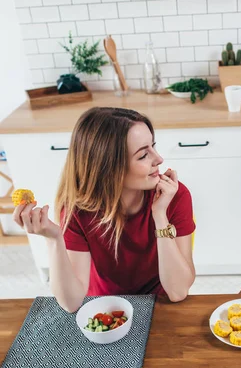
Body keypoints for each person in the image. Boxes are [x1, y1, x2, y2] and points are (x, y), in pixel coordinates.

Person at [13, 107, 196, 312]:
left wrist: (160, 215)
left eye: (153, 146)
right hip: (105, 307)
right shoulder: (78, 210)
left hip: (160, 303)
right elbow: (71, 303)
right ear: (109, 168)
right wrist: (54, 239)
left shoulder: (174, 196)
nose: (159, 159)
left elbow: (178, 291)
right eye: (144, 155)